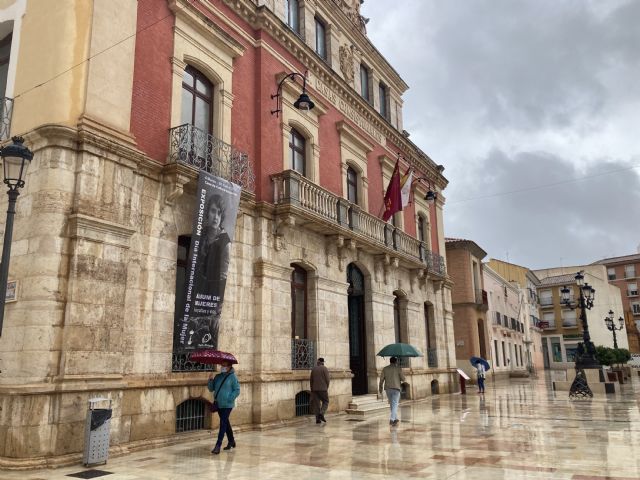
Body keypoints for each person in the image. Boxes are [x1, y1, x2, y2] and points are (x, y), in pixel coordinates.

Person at [208, 361, 240, 454]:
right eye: (221, 365)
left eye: (224, 365)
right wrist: (210, 380)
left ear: (229, 366)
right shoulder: (218, 377)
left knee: (223, 423)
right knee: (226, 422)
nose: (222, 367)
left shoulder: (233, 377)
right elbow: (211, 388)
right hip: (218, 404)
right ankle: (231, 441)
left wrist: (229, 398)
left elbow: (237, 390)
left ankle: (218, 445)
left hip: (227, 405)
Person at [378, 357, 405, 426]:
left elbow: (381, 380)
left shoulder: (385, 369)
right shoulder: (398, 368)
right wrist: (401, 373)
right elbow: (403, 379)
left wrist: (380, 389)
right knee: (395, 404)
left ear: (390, 361)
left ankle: (395, 418)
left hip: (388, 389)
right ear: (396, 362)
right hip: (396, 388)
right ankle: (392, 419)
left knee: (392, 404)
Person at [310, 357, 330, 424]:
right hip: (323, 389)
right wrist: (326, 387)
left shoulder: (314, 369)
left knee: (317, 404)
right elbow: (327, 379)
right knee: (326, 401)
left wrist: (312, 389)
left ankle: (317, 419)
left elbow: (311, 380)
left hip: (314, 389)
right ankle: (321, 414)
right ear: (323, 362)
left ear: (317, 362)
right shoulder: (324, 368)